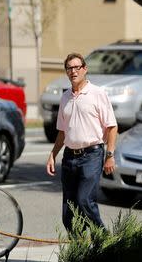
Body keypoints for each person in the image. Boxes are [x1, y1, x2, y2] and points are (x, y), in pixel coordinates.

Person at [46, 52, 117, 231]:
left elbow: (112, 127)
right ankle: (79, 248)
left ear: (84, 69)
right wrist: (52, 155)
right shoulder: (65, 97)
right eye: (69, 68)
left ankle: (104, 241)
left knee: (85, 200)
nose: (73, 71)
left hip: (92, 155)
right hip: (70, 157)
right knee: (69, 211)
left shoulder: (97, 93)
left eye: (77, 67)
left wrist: (110, 155)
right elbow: (62, 131)